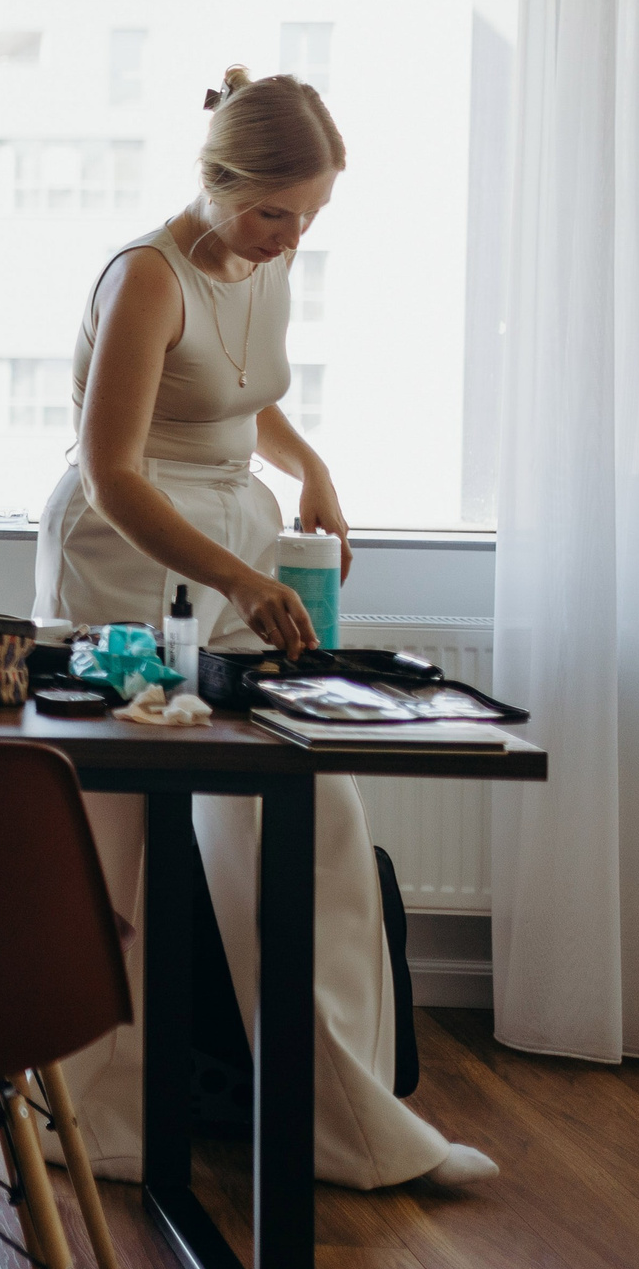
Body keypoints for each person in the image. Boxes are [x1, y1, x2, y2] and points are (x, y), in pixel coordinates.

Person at [33, 64, 493, 1190]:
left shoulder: (261, 263)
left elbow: (239, 391)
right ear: (216, 179)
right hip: (127, 557)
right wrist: (240, 581)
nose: (289, 238)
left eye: (310, 215)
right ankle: (95, 1124)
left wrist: (313, 466)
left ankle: (349, 1126)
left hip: (232, 541)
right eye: (273, 211)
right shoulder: (144, 276)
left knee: (315, 819)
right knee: (118, 856)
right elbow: (110, 473)